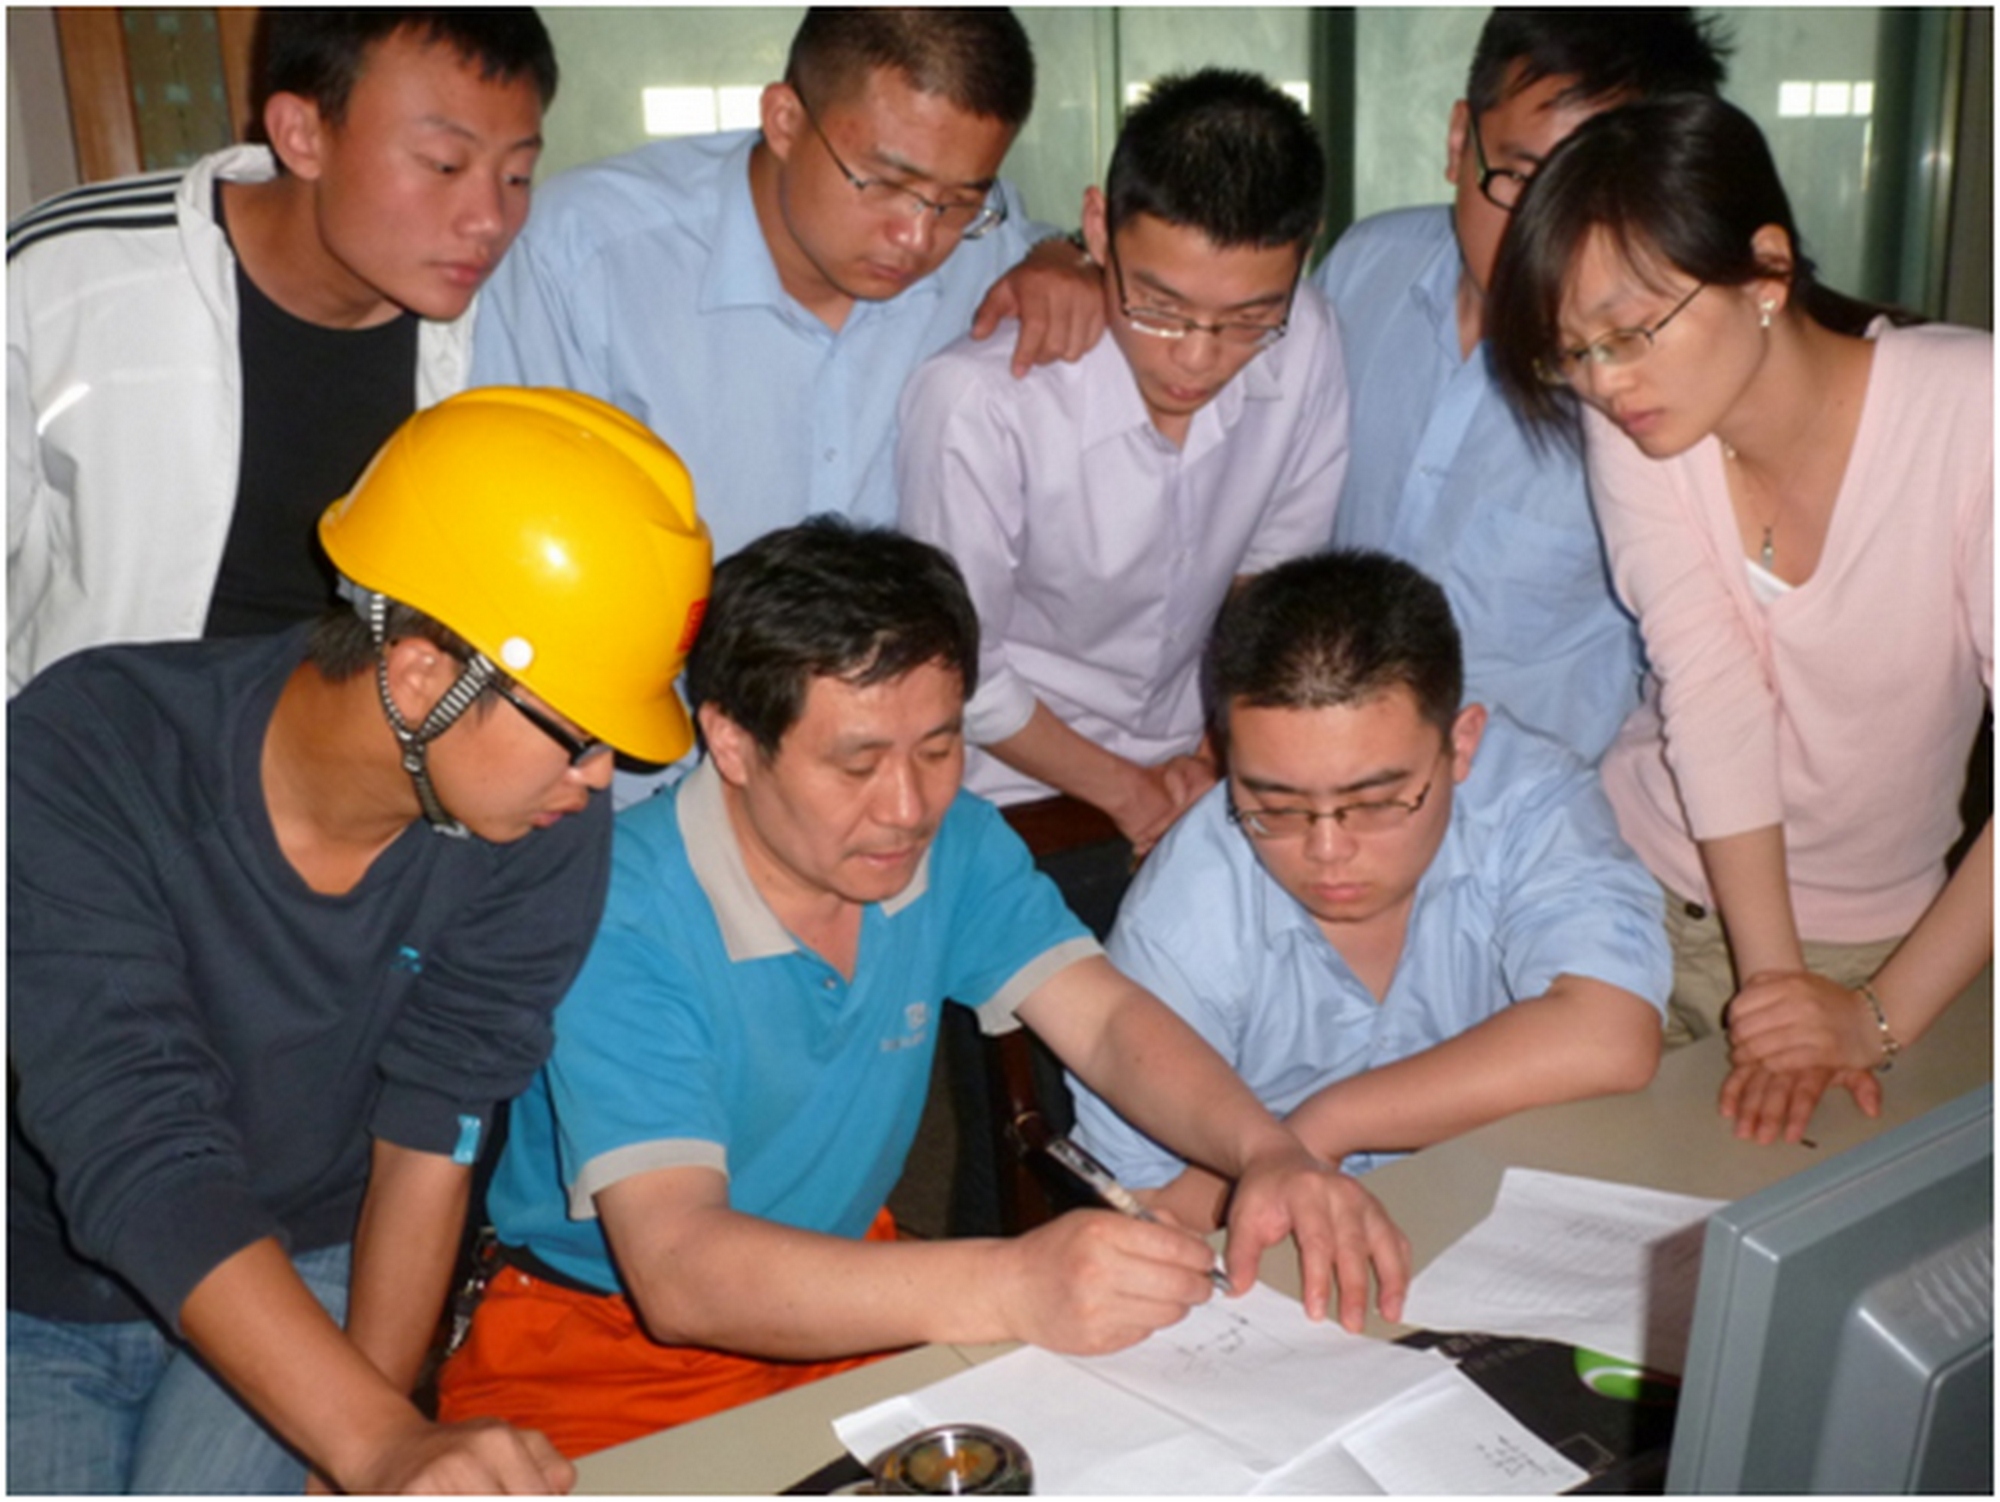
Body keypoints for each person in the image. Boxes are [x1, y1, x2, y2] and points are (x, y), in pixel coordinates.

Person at [436, 518, 1410, 1461]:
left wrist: (1264, 1150)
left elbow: (1107, 1021)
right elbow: (680, 1271)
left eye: (939, 750)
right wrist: (1014, 1282)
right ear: (729, 741)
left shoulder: (954, 846)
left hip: (852, 1285)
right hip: (597, 1342)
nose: (907, 808)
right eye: (857, 763)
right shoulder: (620, 906)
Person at [7, 388, 713, 1494]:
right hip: (39, 1287)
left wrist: (371, 1441)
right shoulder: (90, 749)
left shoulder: (533, 822)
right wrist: (377, 1439)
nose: (598, 781)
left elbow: (437, 1126)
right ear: (425, 672)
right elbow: (138, 1144)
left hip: (317, 1255)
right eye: (581, 735)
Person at [1484, 93, 1992, 1145]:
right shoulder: (1641, 424)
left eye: (1629, 332)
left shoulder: (1969, 415)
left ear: (1765, 271)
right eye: (1571, 352)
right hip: (1628, 884)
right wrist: (1771, 998)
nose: (1605, 383)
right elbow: (1709, 693)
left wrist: (1870, 1016)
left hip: (1869, 942)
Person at [1067, 550, 1668, 1222]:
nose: (1327, 852)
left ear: (1462, 744)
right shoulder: (1183, 914)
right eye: (1277, 806)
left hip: (1506, 1196)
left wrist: (1325, 1127)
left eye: (1376, 802)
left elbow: (1611, 1033)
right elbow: (1145, 1196)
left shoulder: (1528, 798)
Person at [7, 10, 557, 693]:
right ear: (301, 135)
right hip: (91, 741)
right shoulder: (69, 277)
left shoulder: (519, 317)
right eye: (444, 164)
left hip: (369, 749)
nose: (489, 220)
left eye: (517, 176)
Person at [898, 68, 1344, 880]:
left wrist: (1214, 752)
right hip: (1007, 797)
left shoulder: (1307, 334)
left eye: (1248, 319)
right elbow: (963, 671)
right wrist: (1132, 795)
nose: (1198, 358)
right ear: (1098, 228)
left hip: (1202, 768)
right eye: (1159, 308)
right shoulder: (983, 403)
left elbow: (1273, 583)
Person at [469, 7, 1104, 570]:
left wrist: (1071, 256)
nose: (916, 237)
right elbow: (515, 532)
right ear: (784, 121)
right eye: (885, 183)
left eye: (959, 200)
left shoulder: (984, 241)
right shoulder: (585, 258)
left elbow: (1054, 247)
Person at [1312, 8, 1727, 764]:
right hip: (1313, 765)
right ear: (1458, 142)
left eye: (1589, 197)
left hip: (1518, 807)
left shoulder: (1659, 389)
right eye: (1519, 176)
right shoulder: (1363, 270)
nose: (1543, 231)